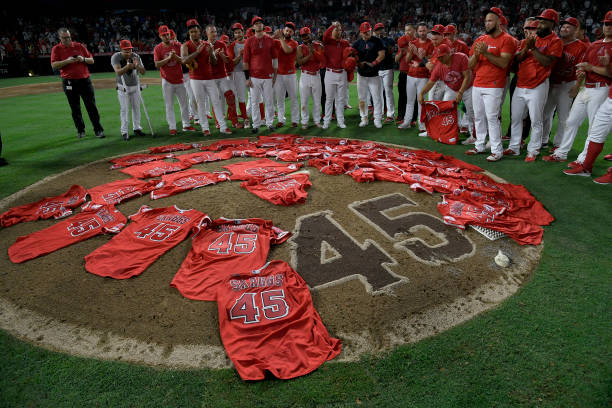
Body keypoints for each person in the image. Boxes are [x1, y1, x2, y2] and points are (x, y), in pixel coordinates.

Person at [553, 10, 612, 165]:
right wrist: (578, 82)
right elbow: (584, 67)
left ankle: (583, 160)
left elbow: (604, 71)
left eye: (611, 24)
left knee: (594, 126)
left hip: (602, 88)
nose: (608, 26)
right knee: (571, 121)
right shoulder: (594, 44)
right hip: (587, 87)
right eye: (606, 23)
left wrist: (591, 67)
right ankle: (561, 153)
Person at [505, 9, 563, 162]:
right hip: (521, 83)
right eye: (540, 21)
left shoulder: (556, 41)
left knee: (536, 119)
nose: (541, 23)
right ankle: (514, 147)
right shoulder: (528, 40)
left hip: (538, 85)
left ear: (552, 24)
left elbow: (547, 62)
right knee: (516, 117)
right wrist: (526, 47)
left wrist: (533, 49)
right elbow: (516, 60)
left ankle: (533, 150)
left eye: (544, 21)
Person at [465, 7, 517, 162]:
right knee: (479, 117)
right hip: (478, 82)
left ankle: (497, 150)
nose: (486, 24)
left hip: (494, 85)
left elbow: (503, 63)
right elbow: (470, 64)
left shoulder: (507, 39)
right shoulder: (480, 40)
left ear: (499, 22)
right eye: (486, 21)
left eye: (490, 21)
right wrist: (477, 54)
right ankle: (479, 145)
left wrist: (486, 53)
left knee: (492, 118)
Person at [541, 17, 587, 160]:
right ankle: (542, 140)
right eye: (563, 26)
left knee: (563, 117)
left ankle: (558, 144)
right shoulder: (556, 42)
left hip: (567, 84)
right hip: (550, 83)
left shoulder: (581, 46)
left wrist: (577, 85)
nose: (564, 29)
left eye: (569, 27)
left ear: (576, 30)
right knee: (544, 114)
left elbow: (581, 69)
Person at [563, 54, 612, 183]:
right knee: (596, 131)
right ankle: (586, 168)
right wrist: (607, 66)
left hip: (604, 93)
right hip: (610, 98)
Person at [50, 27, 104, 139]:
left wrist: (82, 59)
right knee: (75, 109)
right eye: (64, 38)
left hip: (84, 81)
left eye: (69, 37)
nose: (67, 39)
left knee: (91, 107)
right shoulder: (56, 49)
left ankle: (98, 130)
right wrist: (67, 61)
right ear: (60, 38)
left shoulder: (79, 46)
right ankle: (80, 130)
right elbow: (54, 65)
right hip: (69, 82)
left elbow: (92, 60)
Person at [181, 18, 231, 136]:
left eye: (196, 31)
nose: (194, 33)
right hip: (195, 78)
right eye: (191, 31)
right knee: (201, 103)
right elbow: (184, 60)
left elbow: (214, 62)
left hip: (209, 78)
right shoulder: (185, 45)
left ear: (200, 32)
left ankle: (223, 127)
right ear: (189, 33)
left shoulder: (207, 44)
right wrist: (197, 52)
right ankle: (205, 128)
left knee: (216, 102)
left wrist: (210, 53)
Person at [418, 44, 474, 140]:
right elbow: (431, 83)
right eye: (438, 57)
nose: (440, 59)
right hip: (452, 88)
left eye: (442, 56)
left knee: (471, 111)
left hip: (468, 87)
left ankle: (474, 136)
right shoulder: (439, 67)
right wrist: (421, 93)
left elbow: (467, 76)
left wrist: (460, 92)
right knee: (445, 108)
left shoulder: (461, 57)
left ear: (449, 53)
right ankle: (447, 132)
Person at [153, 25, 195, 135]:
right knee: (169, 105)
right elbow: (157, 65)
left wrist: (176, 57)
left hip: (180, 79)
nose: (166, 36)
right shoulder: (158, 48)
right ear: (160, 36)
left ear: (170, 34)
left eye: (167, 34)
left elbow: (184, 61)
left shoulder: (178, 45)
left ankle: (186, 125)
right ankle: (172, 127)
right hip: (167, 80)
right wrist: (168, 58)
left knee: (184, 104)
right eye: (163, 35)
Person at [243, 16, 278, 133]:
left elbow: (275, 58)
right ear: (253, 27)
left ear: (263, 26)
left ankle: (269, 123)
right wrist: (247, 78)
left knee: (269, 101)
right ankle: (256, 124)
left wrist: (275, 75)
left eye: (260, 23)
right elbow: (246, 61)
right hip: (254, 76)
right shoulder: (249, 41)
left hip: (268, 75)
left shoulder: (270, 40)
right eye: (256, 23)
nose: (258, 25)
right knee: (255, 101)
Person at [397, 22, 433, 131]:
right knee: (410, 100)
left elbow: (430, 60)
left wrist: (418, 53)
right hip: (411, 75)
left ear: (427, 31)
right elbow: (407, 60)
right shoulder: (413, 43)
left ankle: (421, 123)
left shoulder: (431, 43)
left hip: (423, 76)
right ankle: (407, 121)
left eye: (424, 30)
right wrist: (410, 51)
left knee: (421, 100)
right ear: (417, 32)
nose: (422, 33)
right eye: (420, 31)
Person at [206, 24, 241, 129]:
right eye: (212, 32)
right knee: (216, 100)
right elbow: (204, 63)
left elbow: (227, 61)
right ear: (206, 33)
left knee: (230, 96)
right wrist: (213, 55)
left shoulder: (222, 44)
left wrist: (222, 55)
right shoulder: (204, 45)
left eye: (215, 32)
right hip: (211, 78)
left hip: (222, 75)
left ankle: (234, 121)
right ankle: (218, 121)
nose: (214, 34)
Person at [111, 39, 146, 141]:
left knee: (137, 108)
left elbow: (143, 72)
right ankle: (124, 131)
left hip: (135, 86)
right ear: (121, 50)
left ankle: (137, 128)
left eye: (129, 50)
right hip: (123, 87)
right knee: (125, 110)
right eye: (126, 51)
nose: (128, 53)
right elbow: (118, 72)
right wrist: (127, 67)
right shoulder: (116, 57)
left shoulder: (136, 56)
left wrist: (137, 65)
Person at [353, 22, 385, 128]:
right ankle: (364, 118)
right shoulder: (357, 43)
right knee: (362, 98)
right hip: (361, 75)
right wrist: (358, 63)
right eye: (365, 32)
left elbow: (382, 55)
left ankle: (377, 119)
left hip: (374, 75)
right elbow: (352, 56)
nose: (367, 34)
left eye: (368, 31)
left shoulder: (377, 41)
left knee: (377, 98)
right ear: (361, 32)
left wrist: (373, 64)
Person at [322, 21, 349, 129]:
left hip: (342, 73)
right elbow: (325, 35)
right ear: (332, 31)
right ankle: (327, 121)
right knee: (329, 98)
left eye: (339, 29)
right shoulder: (328, 42)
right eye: (336, 30)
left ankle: (340, 121)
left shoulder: (345, 43)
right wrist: (333, 25)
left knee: (341, 99)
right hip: (330, 73)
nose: (338, 31)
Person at [296, 26, 324, 129]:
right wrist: (310, 54)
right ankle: (304, 121)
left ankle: (317, 121)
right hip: (305, 76)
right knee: (304, 101)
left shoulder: (319, 45)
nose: (305, 37)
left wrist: (314, 53)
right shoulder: (299, 47)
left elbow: (321, 59)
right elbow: (300, 62)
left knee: (317, 100)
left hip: (316, 75)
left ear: (310, 34)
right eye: (303, 36)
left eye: (306, 35)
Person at [273, 22, 300, 128]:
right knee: (280, 99)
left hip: (290, 74)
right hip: (279, 74)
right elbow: (267, 43)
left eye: (290, 31)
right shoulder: (277, 40)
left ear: (293, 33)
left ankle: (295, 120)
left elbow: (287, 50)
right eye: (286, 30)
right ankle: (281, 119)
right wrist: (273, 36)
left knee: (293, 97)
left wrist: (280, 39)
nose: (288, 32)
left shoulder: (294, 42)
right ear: (283, 30)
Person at [228, 23, 250, 127]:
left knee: (254, 97)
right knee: (238, 97)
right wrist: (240, 55)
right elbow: (231, 62)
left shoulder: (249, 42)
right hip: (237, 73)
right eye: (235, 32)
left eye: (239, 32)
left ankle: (255, 117)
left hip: (250, 72)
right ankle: (238, 119)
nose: (237, 34)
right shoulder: (232, 45)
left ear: (243, 32)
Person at [373, 23, 396, 123]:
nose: (379, 31)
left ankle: (390, 114)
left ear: (384, 29)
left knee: (388, 91)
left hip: (387, 69)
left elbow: (390, 52)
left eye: (380, 29)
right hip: (378, 69)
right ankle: (381, 113)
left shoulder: (389, 40)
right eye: (377, 30)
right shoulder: (374, 41)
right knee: (378, 93)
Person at [396, 25, 415, 124]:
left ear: (414, 31)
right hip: (403, 73)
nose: (407, 32)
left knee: (413, 97)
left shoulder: (417, 42)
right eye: (406, 30)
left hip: (414, 73)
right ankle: (401, 116)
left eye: (409, 30)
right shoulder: (402, 42)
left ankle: (413, 118)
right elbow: (396, 59)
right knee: (402, 96)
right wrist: (401, 52)